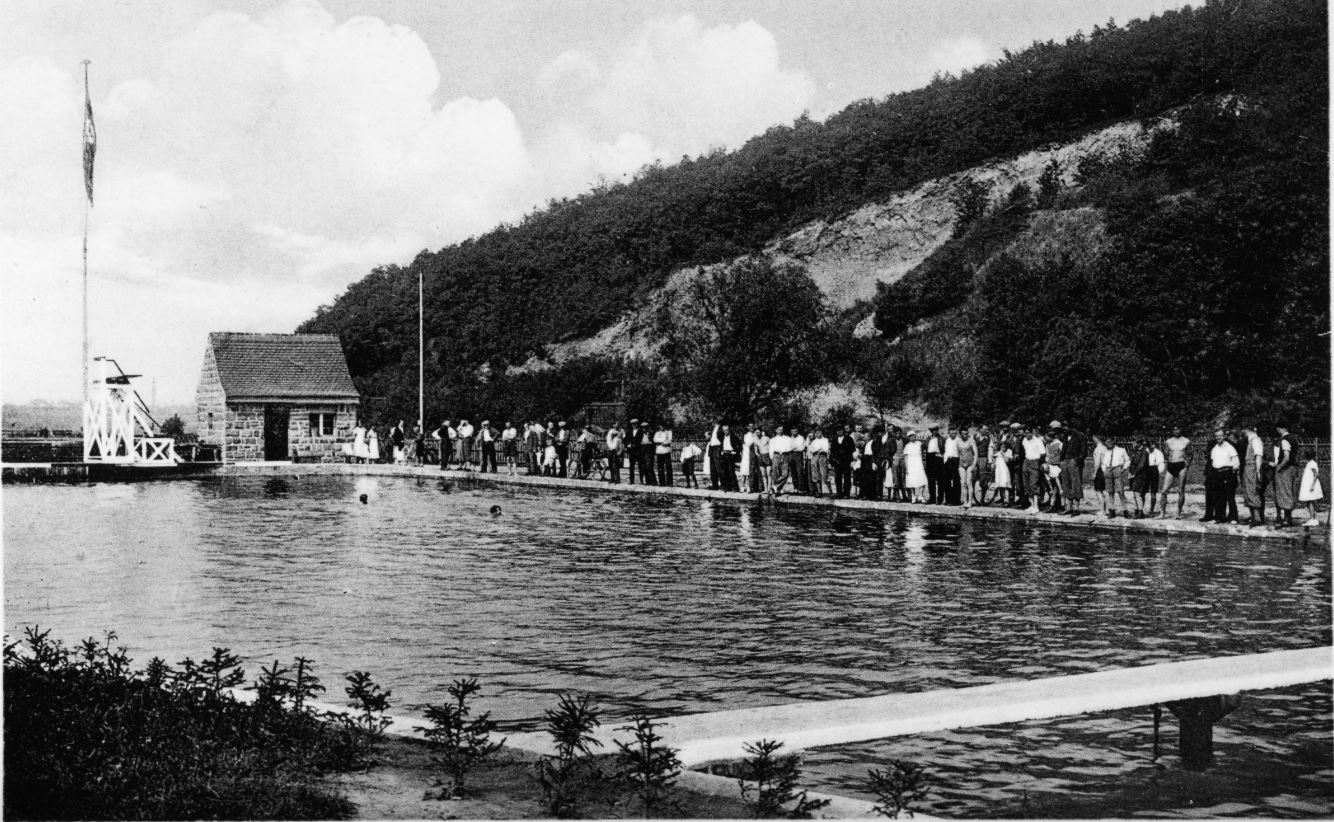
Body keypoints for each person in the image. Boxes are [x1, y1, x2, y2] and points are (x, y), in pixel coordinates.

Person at [1202, 428, 1240, 523]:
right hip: (1217, 473)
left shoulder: (1229, 447)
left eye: (1220, 435)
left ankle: (1234, 518)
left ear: (1224, 436)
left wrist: (1233, 472)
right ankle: (1219, 517)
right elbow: (1213, 461)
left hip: (1228, 472)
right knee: (1219, 497)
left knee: (1230, 497)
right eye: (1216, 436)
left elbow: (1236, 460)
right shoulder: (1214, 448)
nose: (1218, 437)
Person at [1159, 426, 1193, 518]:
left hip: (1181, 466)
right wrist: (1167, 460)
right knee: (1164, 491)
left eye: (1178, 429)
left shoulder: (1186, 441)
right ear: (1172, 430)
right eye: (1174, 429)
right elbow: (1166, 453)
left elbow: (1190, 454)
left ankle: (1178, 513)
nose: (1176, 431)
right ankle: (1162, 513)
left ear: (1181, 430)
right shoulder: (1168, 441)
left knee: (1180, 490)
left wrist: (1187, 465)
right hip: (1171, 466)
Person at [1272, 425, 1299, 528]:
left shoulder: (1285, 440)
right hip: (1292, 468)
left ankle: (1285, 519)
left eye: (1278, 428)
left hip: (1286, 469)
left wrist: (1279, 467)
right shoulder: (1294, 438)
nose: (1277, 430)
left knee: (1283, 492)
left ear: (1281, 428)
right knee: (1288, 491)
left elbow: (1286, 457)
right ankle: (1287, 517)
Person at [1058, 421, 1087, 516]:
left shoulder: (1080, 436)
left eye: (1066, 427)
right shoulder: (1065, 436)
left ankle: (1077, 508)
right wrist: (1061, 460)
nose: (1065, 429)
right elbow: (1063, 449)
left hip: (1074, 462)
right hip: (1065, 462)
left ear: (1071, 427)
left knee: (1076, 484)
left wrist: (1076, 460)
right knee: (1066, 484)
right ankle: (1069, 507)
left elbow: (1083, 452)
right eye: (1064, 427)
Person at [1240, 423, 1266, 526]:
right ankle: (1253, 516)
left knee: (1253, 491)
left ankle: (1257, 518)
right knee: (1248, 491)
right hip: (1248, 467)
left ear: (1246, 429)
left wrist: (1258, 471)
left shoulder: (1255, 440)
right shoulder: (1251, 440)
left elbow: (1258, 456)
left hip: (1253, 467)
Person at [1021, 426, 1046, 514]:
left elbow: (1043, 453)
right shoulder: (1024, 440)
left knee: (1034, 483)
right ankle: (1031, 505)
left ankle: (1036, 506)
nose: (1028, 434)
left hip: (1035, 461)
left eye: (1029, 433)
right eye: (1026, 433)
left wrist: (1039, 463)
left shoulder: (1038, 441)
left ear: (1033, 432)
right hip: (1026, 461)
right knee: (1026, 483)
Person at [1298, 454, 1323, 527]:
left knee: (1310, 502)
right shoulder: (1309, 463)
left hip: (1311, 485)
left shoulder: (1312, 463)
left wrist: (1312, 485)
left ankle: (1312, 519)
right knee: (1309, 502)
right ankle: (1313, 518)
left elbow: (1315, 475)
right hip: (1308, 485)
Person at [904, 431, 928, 503]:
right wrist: (907, 467)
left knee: (922, 479)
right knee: (912, 480)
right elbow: (906, 458)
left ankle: (920, 496)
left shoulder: (919, 444)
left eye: (914, 436)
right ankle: (913, 496)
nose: (913, 437)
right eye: (911, 436)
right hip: (911, 464)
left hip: (918, 463)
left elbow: (924, 449)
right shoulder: (907, 446)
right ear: (909, 438)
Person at [770, 425, 793, 495]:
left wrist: (784, 451)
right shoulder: (773, 439)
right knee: (775, 473)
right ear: (776, 431)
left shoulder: (787, 438)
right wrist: (772, 458)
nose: (780, 431)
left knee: (785, 473)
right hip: (776, 455)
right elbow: (771, 449)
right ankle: (776, 490)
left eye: (781, 429)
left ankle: (775, 486)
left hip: (785, 455)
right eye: (778, 429)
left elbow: (791, 447)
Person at [957, 426, 977, 508]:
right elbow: (958, 453)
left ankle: (970, 502)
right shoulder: (958, 442)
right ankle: (965, 501)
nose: (964, 435)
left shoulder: (971, 441)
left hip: (970, 464)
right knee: (963, 483)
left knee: (969, 482)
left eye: (966, 434)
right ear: (960, 434)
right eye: (963, 434)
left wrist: (974, 465)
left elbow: (976, 454)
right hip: (961, 464)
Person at [808, 427, 831, 497]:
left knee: (824, 474)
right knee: (815, 475)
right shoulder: (814, 441)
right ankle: (819, 492)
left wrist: (820, 450)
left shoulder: (825, 440)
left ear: (822, 433)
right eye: (816, 433)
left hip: (822, 457)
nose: (818, 434)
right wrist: (817, 449)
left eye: (819, 432)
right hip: (815, 457)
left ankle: (830, 492)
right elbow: (811, 449)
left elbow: (826, 449)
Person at [718, 423, 741, 491]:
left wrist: (735, 451)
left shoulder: (733, 437)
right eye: (724, 430)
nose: (726, 432)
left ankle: (735, 487)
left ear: (729, 430)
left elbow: (740, 445)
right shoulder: (722, 437)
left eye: (727, 430)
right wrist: (721, 451)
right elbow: (720, 445)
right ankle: (728, 487)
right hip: (724, 454)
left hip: (731, 454)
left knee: (731, 471)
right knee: (725, 472)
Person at [925, 425, 944, 504]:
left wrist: (941, 455)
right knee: (931, 480)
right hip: (930, 458)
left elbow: (944, 449)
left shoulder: (941, 438)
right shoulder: (928, 439)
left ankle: (940, 499)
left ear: (937, 430)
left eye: (935, 430)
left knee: (940, 480)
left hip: (938, 457)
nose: (934, 432)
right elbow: (925, 448)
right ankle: (932, 498)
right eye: (932, 430)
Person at [740, 424, 755, 492]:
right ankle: (742, 486)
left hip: (752, 454)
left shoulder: (755, 434)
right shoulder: (746, 435)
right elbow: (748, 443)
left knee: (750, 471)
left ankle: (749, 486)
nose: (751, 428)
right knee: (745, 470)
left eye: (752, 426)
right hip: (746, 453)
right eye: (750, 426)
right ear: (748, 427)